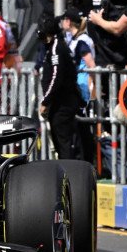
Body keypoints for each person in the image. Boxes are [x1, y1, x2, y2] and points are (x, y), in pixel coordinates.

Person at [38, 15, 82, 160]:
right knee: (59, 140)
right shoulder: (54, 47)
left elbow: (56, 77)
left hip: (64, 102)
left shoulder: (57, 47)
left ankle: (68, 172)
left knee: (63, 140)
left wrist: (45, 101)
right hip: (59, 102)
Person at [61, 7, 97, 164]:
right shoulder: (75, 39)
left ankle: (87, 161)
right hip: (78, 87)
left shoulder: (82, 41)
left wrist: (93, 90)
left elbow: (91, 66)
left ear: (68, 21)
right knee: (78, 127)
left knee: (83, 127)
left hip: (83, 88)